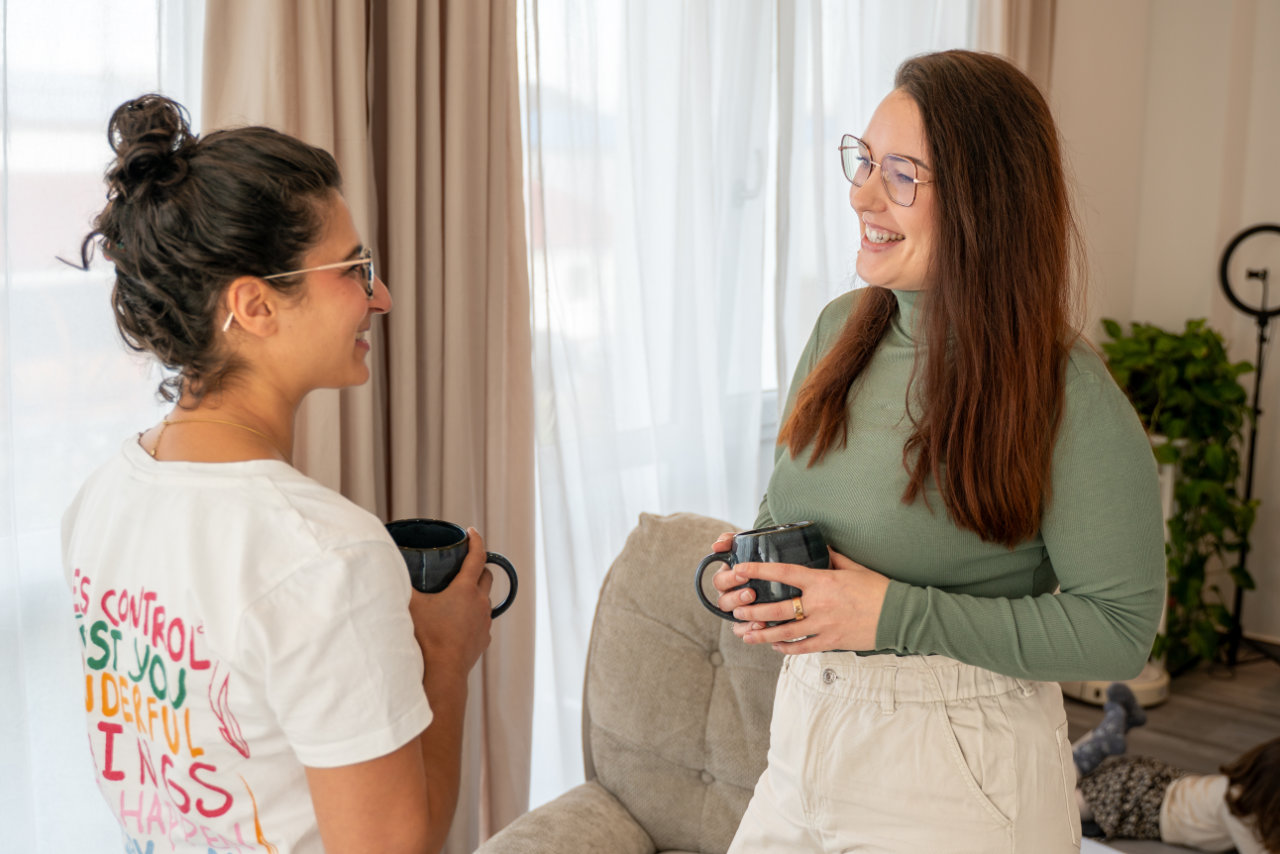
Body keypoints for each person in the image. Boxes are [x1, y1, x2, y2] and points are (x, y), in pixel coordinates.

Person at [709, 50, 1166, 853]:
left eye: (901, 174)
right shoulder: (840, 329)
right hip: (805, 736)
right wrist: (748, 572)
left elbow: (1121, 629)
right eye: (863, 161)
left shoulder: (1068, 393)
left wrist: (892, 613)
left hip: (959, 770)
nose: (861, 194)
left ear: (986, 201)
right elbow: (783, 510)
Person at [63, 94, 492, 853]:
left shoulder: (102, 499)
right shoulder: (325, 555)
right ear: (255, 306)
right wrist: (448, 662)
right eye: (355, 269)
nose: (380, 297)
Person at [1073, 686, 1278, 854]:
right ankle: (1101, 741)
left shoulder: (1245, 789)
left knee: (1063, 784)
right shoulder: (1239, 809)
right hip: (1141, 800)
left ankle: (1104, 737)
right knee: (1056, 803)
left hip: (1156, 783)